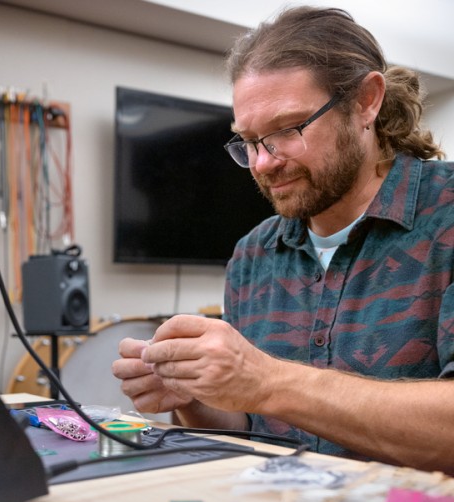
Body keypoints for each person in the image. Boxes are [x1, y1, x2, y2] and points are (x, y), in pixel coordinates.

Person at [111, 5, 454, 475]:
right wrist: (195, 398)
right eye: (249, 142)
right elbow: (247, 429)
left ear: (366, 101)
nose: (262, 164)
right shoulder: (254, 254)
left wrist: (266, 379)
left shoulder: (447, 217)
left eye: (288, 130)